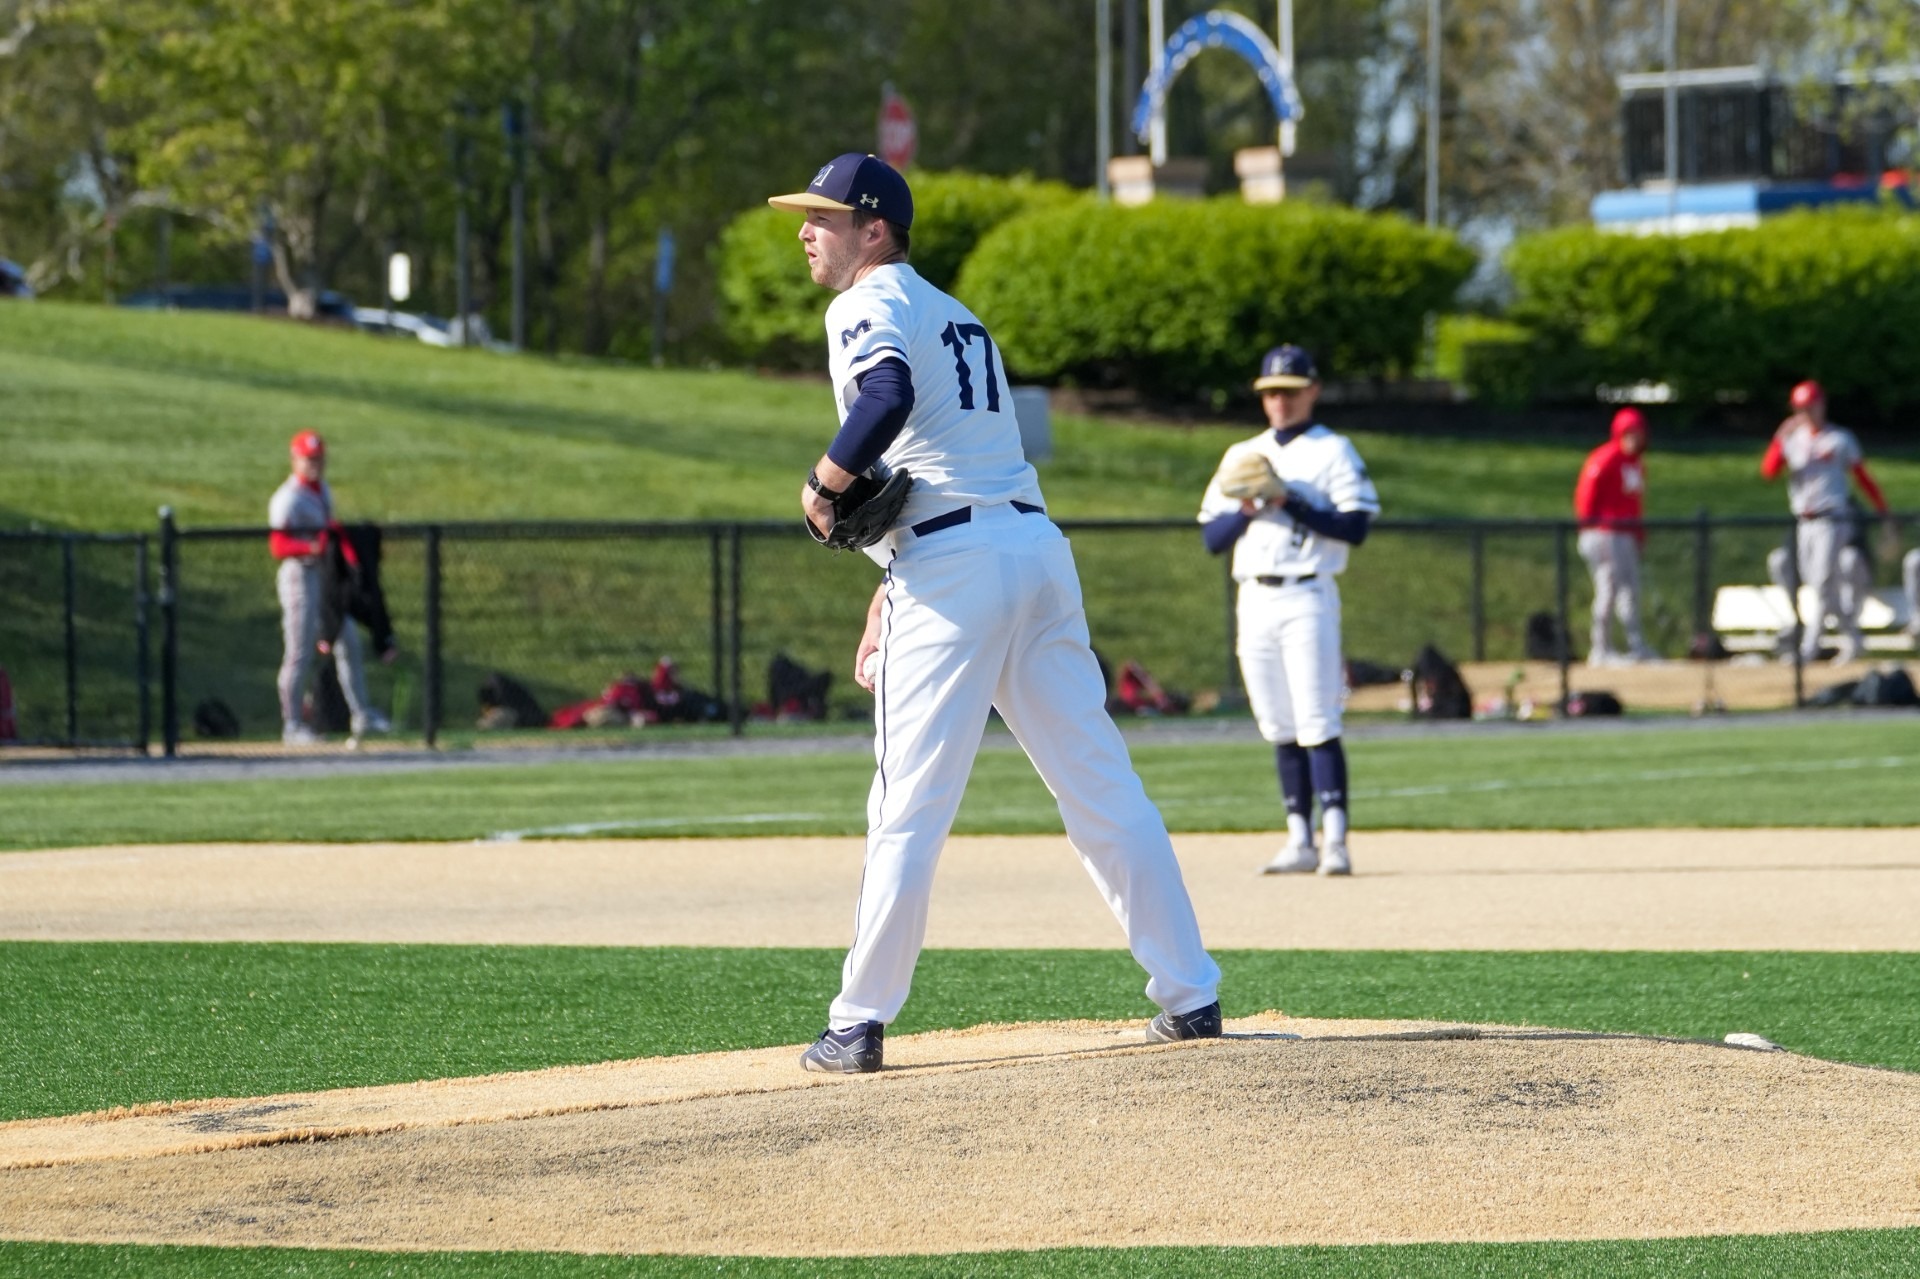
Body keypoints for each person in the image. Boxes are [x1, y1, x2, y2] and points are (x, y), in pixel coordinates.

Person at [770, 153, 1221, 1074]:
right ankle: (1191, 993)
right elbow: (957, 461)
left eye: (825, 215)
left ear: (875, 229)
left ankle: (857, 1022)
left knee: (908, 805)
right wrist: (887, 583)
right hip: (1033, 552)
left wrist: (824, 485)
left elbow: (887, 399)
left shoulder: (865, 301)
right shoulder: (959, 315)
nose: (807, 229)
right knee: (1101, 787)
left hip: (956, 570)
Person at [1198, 345, 1380, 877]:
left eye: (1291, 390)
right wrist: (1250, 507)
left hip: (1307, 593)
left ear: (1313, 391)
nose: (1280, 401)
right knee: (1277, 722)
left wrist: (1288, 501)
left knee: (1317, 717)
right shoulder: (1242, 453)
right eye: (1271, 392)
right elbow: (1213, 536)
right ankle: (1299, 838)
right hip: (1253, 595)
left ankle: (1336, 840)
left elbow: (1356, 527)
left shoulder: (1333, 451)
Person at [269, 430, 391, 745]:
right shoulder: (289, 497)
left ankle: (362, 713)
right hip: (300, 576)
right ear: (294, 459)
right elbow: (278, 544)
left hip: (325, 578)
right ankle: (292, 725)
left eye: (319, 458)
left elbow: (330, 531)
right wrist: (312, 547)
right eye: (309, 459)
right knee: (299, 651)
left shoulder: (321, 490)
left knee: (347, 640)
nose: (316, 465)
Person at [1761, 381, 1892, 665]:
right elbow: (1768, 472)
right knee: (1818, 584)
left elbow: (1863, 477)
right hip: (1804, 521)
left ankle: (1808, 648)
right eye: (1801, 407)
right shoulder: (1792, 440)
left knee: (1821, 582)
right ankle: (1853, 637)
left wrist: (1884, 512)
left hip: (1833, 517)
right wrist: (1779, 437)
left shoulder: (1840, 438)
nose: (1806, 412)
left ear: (1822, 405)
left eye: (1810, 406)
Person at [1573, 407, 1655, 666]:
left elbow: (1634, 503)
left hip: (1626, 535)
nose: (1635, 439)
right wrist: (1590, 527)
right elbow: (1586, 497)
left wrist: (1638, 534)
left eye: (1638, 433)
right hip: (1604, 534)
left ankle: (1636, 644)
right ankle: (1600, 647)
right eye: (1629, 433)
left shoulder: (1636, 465)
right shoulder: (1605, 458)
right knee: (1608, 588)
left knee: (1630, 590)